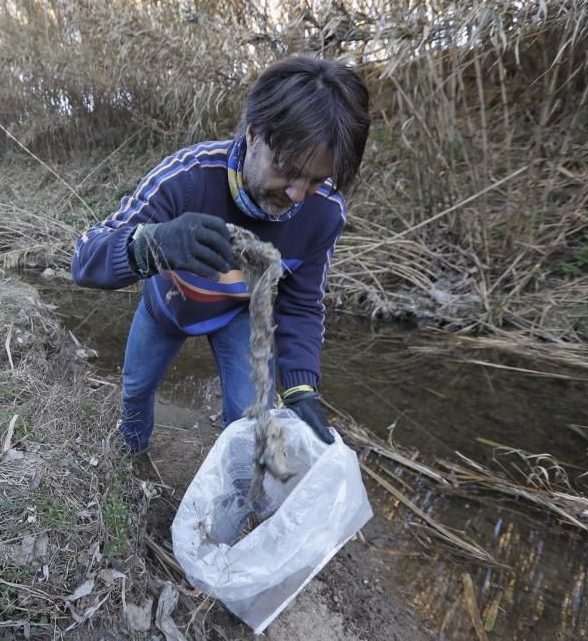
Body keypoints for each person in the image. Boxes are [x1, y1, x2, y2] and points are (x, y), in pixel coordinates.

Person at [71, 56, 370, 452]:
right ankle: (133, 452)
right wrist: (151, 244)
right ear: (253, 135)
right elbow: (85, 257)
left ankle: (239, 492)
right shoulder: (186, 178)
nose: (298, 194)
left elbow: (301, 305)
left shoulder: (324, 212)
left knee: (253, 416)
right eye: (287, 169)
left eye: (317, 179)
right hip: (168, 307)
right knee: (136, 388)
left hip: (239, 314)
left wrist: (301, 386)